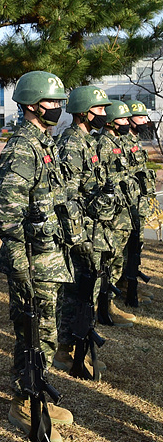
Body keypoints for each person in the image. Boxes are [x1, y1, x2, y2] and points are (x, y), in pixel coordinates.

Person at [0, 71, 73, 441]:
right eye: (51, 102)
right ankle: (23, 403)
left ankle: (36, 390)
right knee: (32, 333)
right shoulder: (23, 146)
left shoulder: (44, 142)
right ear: (30, 105)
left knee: (46, 332)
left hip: (49, 256)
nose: (57, 108)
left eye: (59, 102)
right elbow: (9, 214)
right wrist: (19, 267)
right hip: (31, 259)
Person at [54, 85, 110, 377]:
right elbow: (67, 197)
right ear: (84, 112)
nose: (104, 114)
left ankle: (77, 346)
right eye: (99, 109)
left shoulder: (88, 142)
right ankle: (65, 350)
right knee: (74, 293)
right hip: (80, 233)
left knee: (87, 293)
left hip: (93, 229)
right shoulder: (72, 144)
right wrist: (79, 239)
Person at [93, 100, 138, 326]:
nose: (126, 122)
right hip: (111, 214)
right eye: (121, 119)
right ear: (110, 121)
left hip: (121, 211)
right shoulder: (104, 143)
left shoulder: (117, 142)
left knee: (117, 260)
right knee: (108, 261)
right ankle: (104, 307)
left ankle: (108, 303)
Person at [122, 100, 155, 306]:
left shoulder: (135, 141)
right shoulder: (124, 142)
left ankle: (130, 284)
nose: (145, 121)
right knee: (126, 249)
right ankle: (125, 287)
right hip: (128, 205)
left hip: (138, 203)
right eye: (141, 117)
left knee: (135, 247)